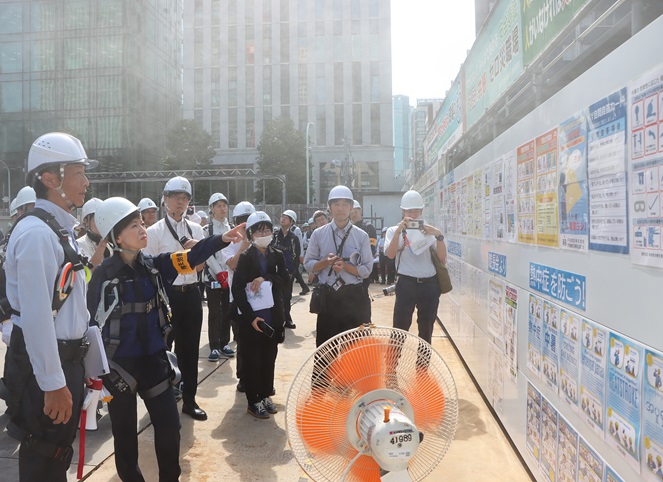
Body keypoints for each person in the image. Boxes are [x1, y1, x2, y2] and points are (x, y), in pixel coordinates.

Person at [88, 197, 240, 481]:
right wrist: (92, 372)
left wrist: (220, 239)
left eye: (142, 223)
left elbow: (190, 258)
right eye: (134, 226)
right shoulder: (102, 277)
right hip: (118, 369)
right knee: (124, 437)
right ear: (117, 237)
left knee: (170, 427)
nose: (142, 229)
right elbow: (89, 323)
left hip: (155, 363)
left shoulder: (155, 266)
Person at [3, 132, 97, 481]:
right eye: (78, 173)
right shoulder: (37, 234)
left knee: (57, 456)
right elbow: (37, 317)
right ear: (50, 178)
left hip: (64, 361)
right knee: (44, 457)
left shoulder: (58, 229)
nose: (86, 182)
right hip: (46, 365)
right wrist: (53, 383)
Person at [144, 176, 208, 420]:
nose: (180, 202)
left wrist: (195, 253)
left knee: (190, 350)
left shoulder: (196, 229)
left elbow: (200, 266)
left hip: (191, 293)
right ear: (165, 199)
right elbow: (150, 268)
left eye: (184, 198)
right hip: (166, 296)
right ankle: (162, 398)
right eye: (175, 197)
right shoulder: (154, 232)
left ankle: (189, 400)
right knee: (163, 349)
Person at [232, 211, 288, 419]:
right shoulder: (246, 257)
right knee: (252, 360)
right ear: (250, 234)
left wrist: (265, 278)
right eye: (259, 231)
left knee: (268, 358)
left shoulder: (277, 255)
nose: (264, 234)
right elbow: (237, 289)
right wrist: (250, 317)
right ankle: (253, 400)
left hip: (272, 315)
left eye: (267, 230)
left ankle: (265, 395)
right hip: (253, 318)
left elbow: (285, 279)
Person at [304, 185, 373, 347]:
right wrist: (325, 263)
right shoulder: (318, 234)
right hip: (328, 298)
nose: (340, 209)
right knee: (326, 352)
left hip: (354, 297)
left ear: (351, 207)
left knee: (355, 351)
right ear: (330, 207)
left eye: (345, 204)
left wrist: (346, 267)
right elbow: (308, 264)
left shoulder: (361, 236)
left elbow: (367, 270)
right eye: (336, 204)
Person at [385, 190, 447, 345]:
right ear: (403, 211)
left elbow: (442, 258)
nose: (413, 214)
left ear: (422, 210)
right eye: (409, 211)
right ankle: (393, 360)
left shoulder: (429, 230)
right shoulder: (393, 231)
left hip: (430, 284)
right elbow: (390, 255)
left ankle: (423, 361)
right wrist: (399, 232)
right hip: (406, 283)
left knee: (426, 329)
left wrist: (438, 235)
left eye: (417, 211)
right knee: (400, 328)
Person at [221, 201, 256, 393]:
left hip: (259, 298)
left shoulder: (260, 240)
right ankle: (243, 377)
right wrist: (243, 246)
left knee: (258, 339)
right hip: (239, 299)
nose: (245, 225)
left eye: (248, 221)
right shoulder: (228, 243)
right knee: (242, 340)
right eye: (241, 221)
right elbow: (232, 264)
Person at [203, 192, 235, 361]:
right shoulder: (207, 230)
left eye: (224, 206)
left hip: (229, 275)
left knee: (227, 310)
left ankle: (224, 342)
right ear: (212, 209)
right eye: (218, 206)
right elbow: (207, 253)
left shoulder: (231, 228)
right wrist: (218, 272)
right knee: (214, 311)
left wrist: (227, 273)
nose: (222, 209)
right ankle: (214, 345)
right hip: (213, 277)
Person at [272, 210, 301, 329]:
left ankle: (287, 318)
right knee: (274, 295)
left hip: (288, 272)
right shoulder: (274, 235)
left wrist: (293, 271)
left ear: (291, 222)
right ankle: (276, 319)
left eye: (286, 217)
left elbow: (296, 256)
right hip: (274, 271)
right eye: (282, 216)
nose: (283, 219)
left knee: (287, 296)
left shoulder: (294, 238)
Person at [77, 197, 113, 268]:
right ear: (86, 221)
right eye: (97, 219)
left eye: (104, 219)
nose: (101, 223)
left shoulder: (111, 243)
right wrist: (102, 245)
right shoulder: (79, 244)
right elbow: (89, 270)